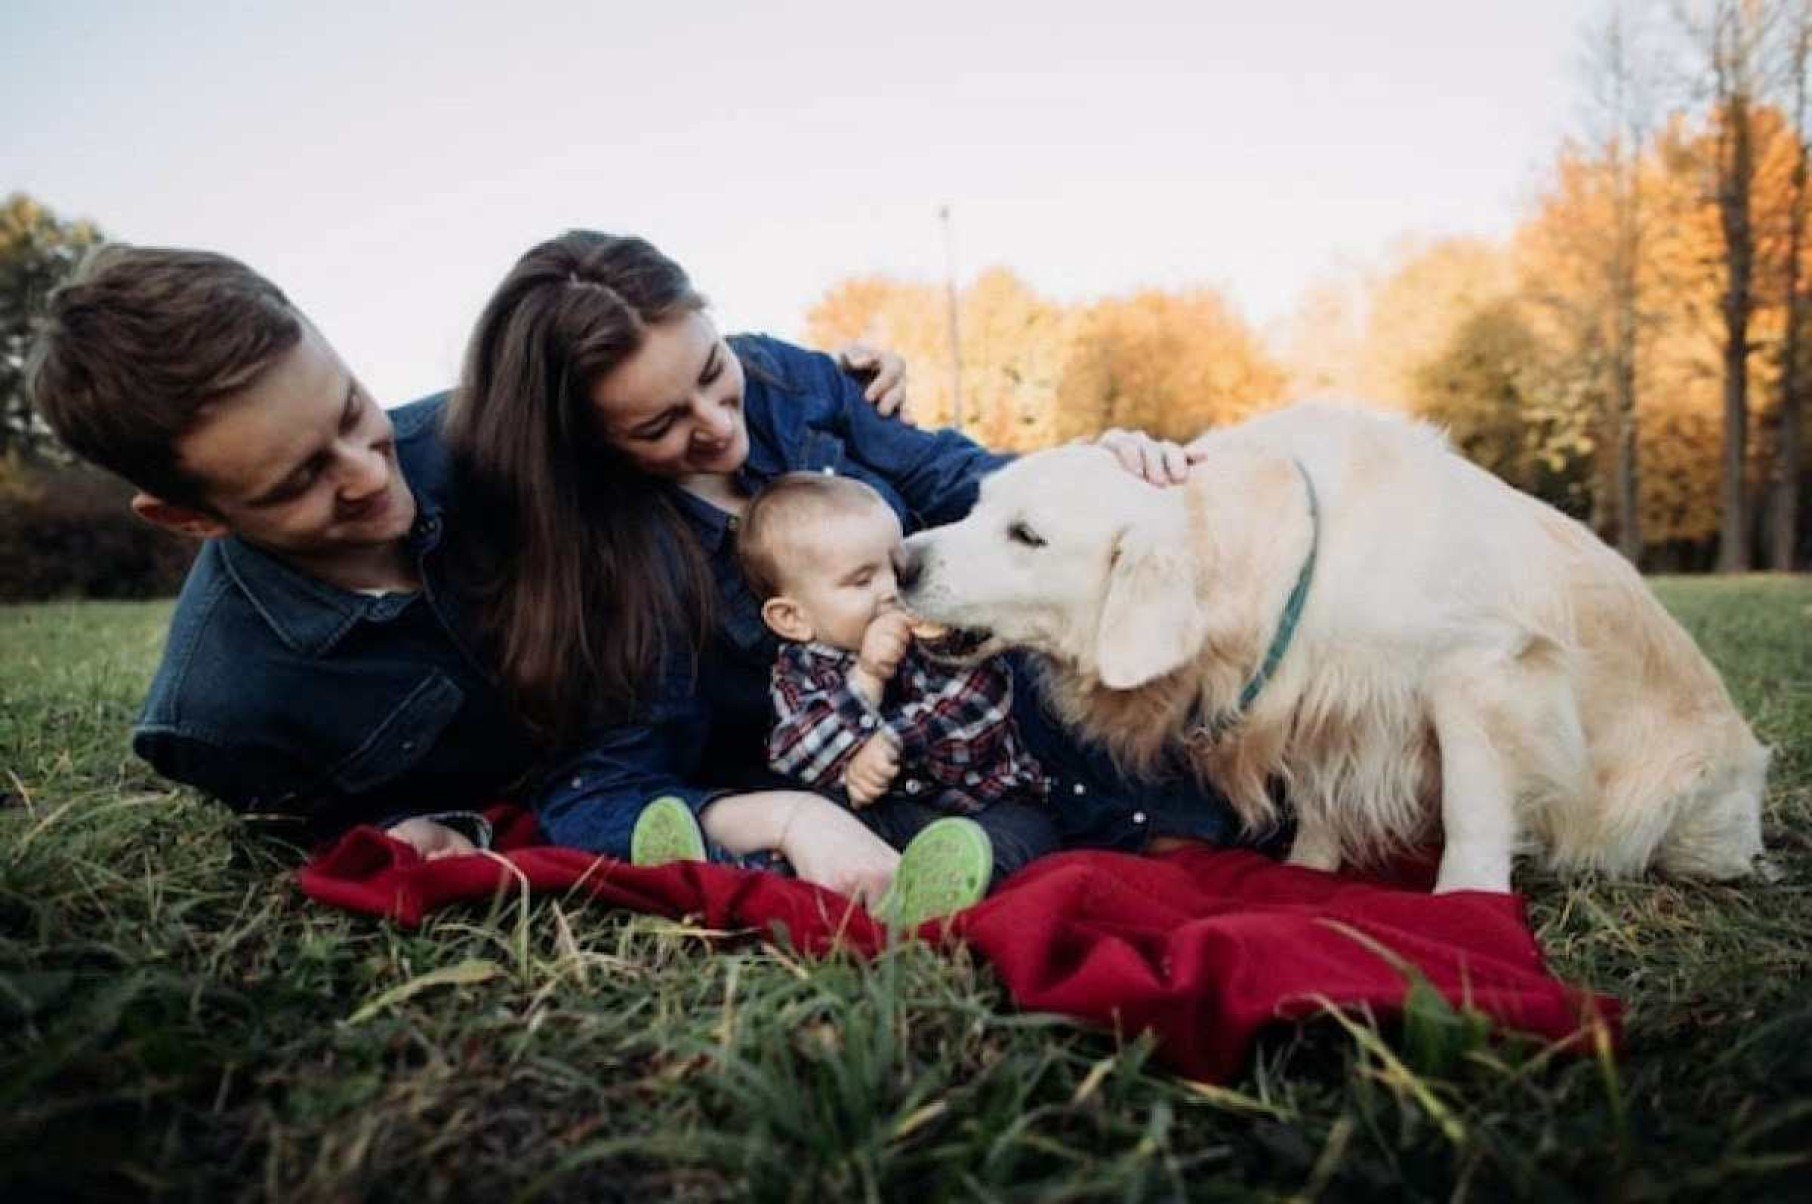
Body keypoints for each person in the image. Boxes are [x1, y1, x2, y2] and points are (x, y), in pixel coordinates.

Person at [444, 230, 1245, 911]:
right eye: (661, 425)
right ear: (587, 446)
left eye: (714, 372)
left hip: (1021, 727)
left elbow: (955, 478)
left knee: (1247, 783)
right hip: (871, 793)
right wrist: (789, 817)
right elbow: (594, 796)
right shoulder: (605, 566)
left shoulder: (793, 385)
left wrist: (1091, 477)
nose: (721, 428)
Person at [26, 243, 910, 857]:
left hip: (773, 712)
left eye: (349, 411)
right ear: (188, 516)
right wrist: (411, 830)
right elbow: (327, 830)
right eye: (297, 482)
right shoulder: (222, 713)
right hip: (637, 795)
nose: (368, 475)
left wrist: (835, 388)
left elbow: (668, 375)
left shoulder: (492, 437)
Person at [741, 471, 1059, 892]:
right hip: (893, 815)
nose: (892, 590)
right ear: (792, 618)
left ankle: (945, 891)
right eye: (861, 580)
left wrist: (890, 740)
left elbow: (980, 702)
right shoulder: (798, 670)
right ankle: (762, 872)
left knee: (1023, 838)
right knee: (837, 815)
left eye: (895, 567)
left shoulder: (938, 629)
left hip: (987, 804)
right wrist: (868, 677)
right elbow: (795, 754)